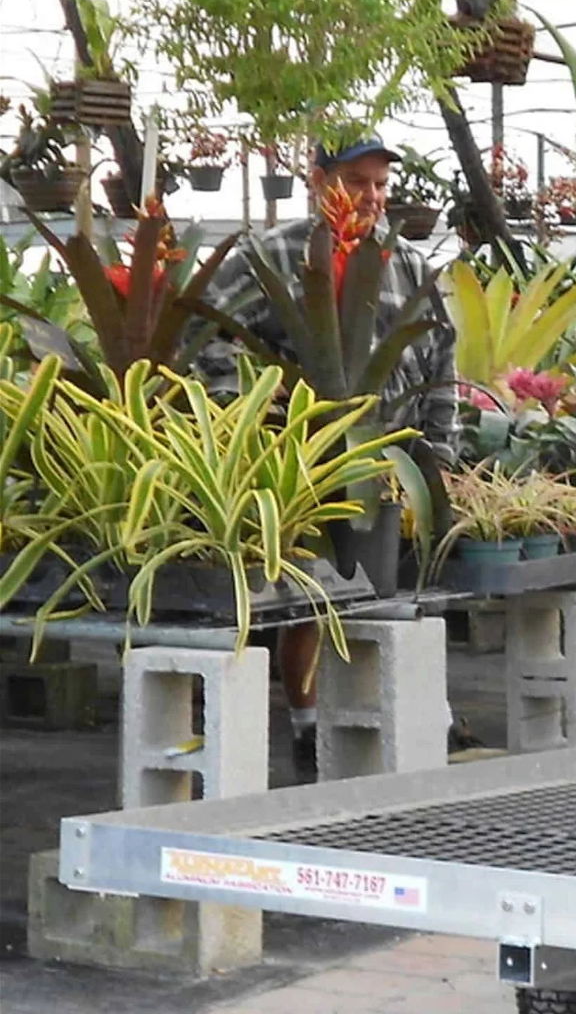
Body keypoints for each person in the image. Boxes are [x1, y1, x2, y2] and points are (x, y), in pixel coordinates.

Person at [193, 136, 460, 780]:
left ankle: (401, 715)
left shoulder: (408, 264)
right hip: (299, 459)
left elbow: (442, 361)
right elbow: (208, 336)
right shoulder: (273, 253)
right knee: (310, 596)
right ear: (318, 181)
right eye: (356, 182)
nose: (370, 197)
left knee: (392, 596)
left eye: (379, 185)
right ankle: (309, 728)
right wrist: (252, 402)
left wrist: (442, 449)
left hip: (392, 459)